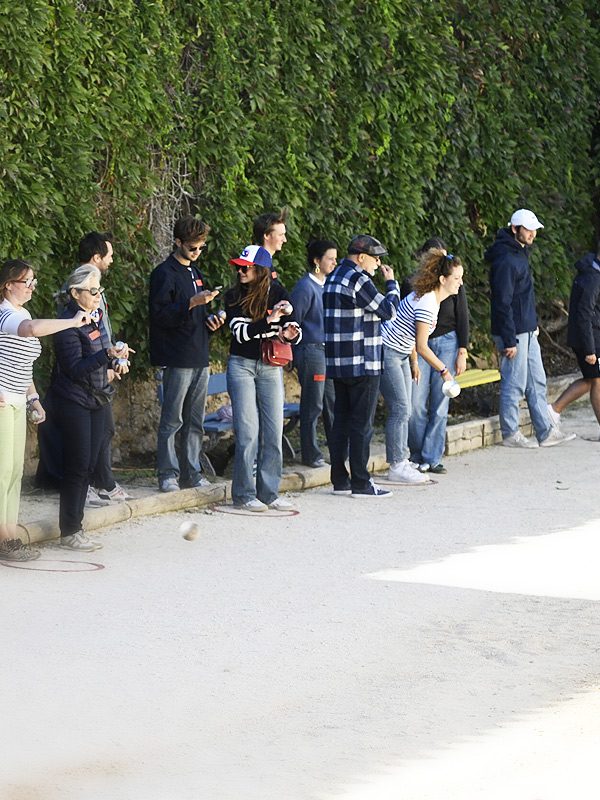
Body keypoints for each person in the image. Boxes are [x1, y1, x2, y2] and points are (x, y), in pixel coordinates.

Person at [0, 260, 92, 562]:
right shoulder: (5, 315)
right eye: (25, 281)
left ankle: (8, 538)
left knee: (14, 473)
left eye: (33, 281)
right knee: (2, 474)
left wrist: (33, 399)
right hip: (1, 402)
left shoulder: (21, 312)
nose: (31, 286)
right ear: (7, 284)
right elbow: (31, 330)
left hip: (16, 402)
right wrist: (71, 321)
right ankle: (4, 540)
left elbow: (23, 365)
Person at [51, 266, 128, 551]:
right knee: (78, 466)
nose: (98, 295)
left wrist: (116, 360)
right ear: (75, 293)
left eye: (100, 291)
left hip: (98, 398)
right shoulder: (67, 324)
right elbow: (73, 369)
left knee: (89, 466)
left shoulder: (93, 317)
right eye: (93, 291)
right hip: (74, 400)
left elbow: (104, 352)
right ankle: (70, 531)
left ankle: (76, 528)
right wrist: (105, 355)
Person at [485, 209, 573, 448]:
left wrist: (532, 323)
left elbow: (522, 296)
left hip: (526, 328)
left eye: (534, 229)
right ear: (515, 229)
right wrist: (509, 339)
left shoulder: (519, 253)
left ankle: (545, 431)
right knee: (513, 382)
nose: (533, 233)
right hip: (513, 332)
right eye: (528, 229)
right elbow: (502, 302)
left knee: (537, 380)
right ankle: (510, 433)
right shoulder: (505, 259)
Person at [149, 216, 223, 493]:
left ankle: (192, 472)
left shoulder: (196, 272)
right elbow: (159, 317)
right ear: (177, 242)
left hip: (199, 355)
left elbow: (194, 318)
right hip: (176, 357)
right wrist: (191, 302)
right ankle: (167, 474)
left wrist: (211, 323)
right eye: (192, 248)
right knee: (172, 420)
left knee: (195, 421)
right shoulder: (163, 274)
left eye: (201, 248)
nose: (196, 253)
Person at [224, 244, 301, 511]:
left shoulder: (278, 292)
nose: (241, 271)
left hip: (271, 367)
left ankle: (269, 493)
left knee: (273, 431)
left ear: (262, 270)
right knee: (248, 433)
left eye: (247, 267)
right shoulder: (233, 295)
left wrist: (289, 330)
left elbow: (294, 331)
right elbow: (240, 334)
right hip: (241, 366)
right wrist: (270, 322)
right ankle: (244, 495)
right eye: (239, 266)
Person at [323, 235, 400, 499]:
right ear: (362, 257)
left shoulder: (332, 276)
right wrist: (392, 284)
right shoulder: (359, 279)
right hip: (363, 362)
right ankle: (361, 483)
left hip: (337, 362)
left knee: (340, 422)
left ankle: (339, 480)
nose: (378, 263)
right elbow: (388, 310)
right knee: (361, 425)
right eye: (376, 258)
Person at [381, 249, 464, 484]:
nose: (460, 283)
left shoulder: (430, 298)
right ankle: (397, 465)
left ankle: (401, 460)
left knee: (404, 409)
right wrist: (444, 371)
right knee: (401, 409)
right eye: (457, 278)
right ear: (442, 280)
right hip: (388, 352)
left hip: (399, 353)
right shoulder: (428, 303)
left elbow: (409, 333)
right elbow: (423, 345)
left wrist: (414, 361)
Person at [77, 232, 133, 506]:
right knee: (91, 433)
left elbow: (103, 331)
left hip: (101, 367)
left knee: (104, 430)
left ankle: (101, 483)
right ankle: (89, 485)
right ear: (97, 258)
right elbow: (84, 333)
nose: (112, 260)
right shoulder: (80, 288)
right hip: (87, 375)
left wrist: (114, 357)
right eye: (109, 255)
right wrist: (106, 360)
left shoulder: (94, 288)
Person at [405, 237, 470, 475]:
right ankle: (417, 454)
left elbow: (463, 314)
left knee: (441, 403)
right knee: (415, 403)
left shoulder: (454, 283)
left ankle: (432, 457)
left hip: (448, 341)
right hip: (421, 345)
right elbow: (410, 328)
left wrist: (462, 349)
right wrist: (413, 358)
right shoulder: (417, 287)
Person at [290, 239, 337, 468]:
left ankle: (337, 449)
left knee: (332, 402)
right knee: (313, 404)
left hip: (328, 352)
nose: (334, 263)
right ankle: (311, 454)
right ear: (317, 261)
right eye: (330, 258)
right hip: (311, 351)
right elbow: (293, 323)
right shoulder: (304, 287)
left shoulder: (328, 285)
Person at [547, 242, 600, 433]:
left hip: (591, 336)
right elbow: (584, 316)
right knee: (596, 382)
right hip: (589, 339)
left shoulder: (592, 273)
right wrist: (590, 349)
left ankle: (554, 410)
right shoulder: (592, 279)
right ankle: (554, 409)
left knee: (591, 380)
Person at [253, 208, 288, 280]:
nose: (284, 240)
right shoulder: (259, 266)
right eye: (280, 235)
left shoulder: (266, 261)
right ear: (266, 236)